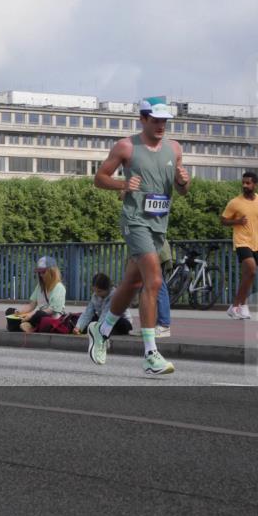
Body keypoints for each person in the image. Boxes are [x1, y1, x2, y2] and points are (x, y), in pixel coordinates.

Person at [89, 96, 190, 375]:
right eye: (155, 120)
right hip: (135, 222)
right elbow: (99, 179)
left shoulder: (175, 148)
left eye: (164, 121)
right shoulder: (125, 146)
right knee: (154, 280)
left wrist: (184, 182)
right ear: (143, 119)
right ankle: (150, 353)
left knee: (132, 283)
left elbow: (181, 190)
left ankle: (102, 329)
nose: (160, 125)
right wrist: (123, 183)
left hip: (159, 225)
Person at [221, 171, 258, 320]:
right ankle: (235, 306)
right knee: (251, 269)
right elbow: (223, 220)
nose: (245, 185)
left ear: (255, 185)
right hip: (241, 241)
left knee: (249, 275)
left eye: (248, 183)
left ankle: (242, 306)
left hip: (256, 243)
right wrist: (237, 222)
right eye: (243, 182)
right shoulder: (235, 202)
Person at [14, 256, 66, 333]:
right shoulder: (40, 286)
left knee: (39, 314)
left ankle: (31, 326)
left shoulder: (59, 287)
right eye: (39, 272)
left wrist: (32, 314)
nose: (41, 275)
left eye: (43, 272)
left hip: (52, 317)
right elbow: (32, 305)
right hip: (38, 315)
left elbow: (52, 310)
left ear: (52, 272)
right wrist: (19, 312)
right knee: (9, 312)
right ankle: (27, 325)